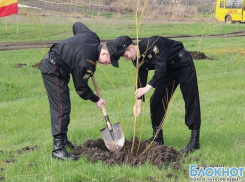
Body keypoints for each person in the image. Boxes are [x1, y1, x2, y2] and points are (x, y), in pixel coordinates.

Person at [39, 22, 123, 160]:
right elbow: (81, 88)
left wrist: (75, 43)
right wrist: (96, 99)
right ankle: (58, 149)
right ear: (104, 51)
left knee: (65, 106)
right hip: (52, 70)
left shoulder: (92, 37)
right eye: (109, 60)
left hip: (61, 68)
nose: (108, 64)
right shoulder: (86, 63)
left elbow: (77, 25)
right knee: (61, 107)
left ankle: (64, 141)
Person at [112, 35, 201, 153]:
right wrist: (138, 103)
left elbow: (161, 67)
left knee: (190, 98)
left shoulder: (154, 44)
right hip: (168, 71)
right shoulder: (136, 59)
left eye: (125, 54)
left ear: (131, 47)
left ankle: (194, 141)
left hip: (182, 63)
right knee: (156, 100)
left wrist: (149, 87)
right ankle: (157, 137)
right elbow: (140, 79)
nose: (126, 58)